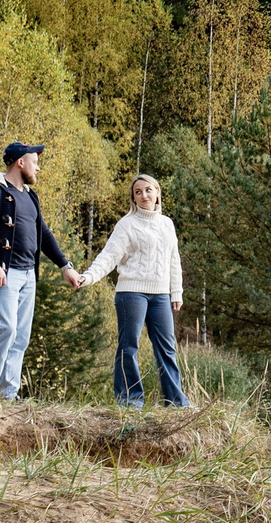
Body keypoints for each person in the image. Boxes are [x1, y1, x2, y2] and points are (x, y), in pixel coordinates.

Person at [0, 142, 81, 399]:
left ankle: (7, 395)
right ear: (20, 163)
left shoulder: (30, 196)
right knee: (5, 329)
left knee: (20, 338)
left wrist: (65, 266)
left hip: (29, 274)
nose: (38, 168)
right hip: (4, 274)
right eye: (35, 162)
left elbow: (44, 235)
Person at [79, 173, 191, 410]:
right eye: (138, 192)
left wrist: (177, 292)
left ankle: (176, 403)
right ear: (133, 198)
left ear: (157, 193)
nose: (144, 196)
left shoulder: (167, 224)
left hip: (161, 295)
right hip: (131, 293)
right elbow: (109, 256)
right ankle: (131, 400)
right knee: (129, 346)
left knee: (167, 348)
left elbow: (174, 259)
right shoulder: (127, 224)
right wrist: (88, 277)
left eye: (148, 190)